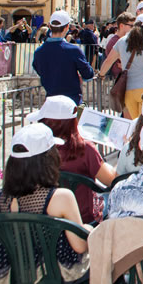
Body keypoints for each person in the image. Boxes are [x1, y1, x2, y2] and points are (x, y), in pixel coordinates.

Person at [0, 123, 91, 284]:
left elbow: (0, 237)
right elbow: (80, 246)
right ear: (48, 159)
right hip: (60, 280)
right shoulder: (61, 197)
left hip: (18, 279)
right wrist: (88, 229)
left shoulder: (1, 198)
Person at [31, 96, 117, 224]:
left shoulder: (34, 148)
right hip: (84, 219)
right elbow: (111, 180)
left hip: (48, 218)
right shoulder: (85, 149)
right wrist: (122, 154)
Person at [98, 14, 143, 119]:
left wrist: (101, 75)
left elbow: (108, 61)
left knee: (134, 124)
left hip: (129, 90)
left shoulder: (121, 42)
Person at [32, 11, 94, 105]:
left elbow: (40, 70)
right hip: (72, 102)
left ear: (50, 26)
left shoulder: (39, 52)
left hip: (51, 102)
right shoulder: (74, 50)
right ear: (67, 27)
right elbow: (88, 74)